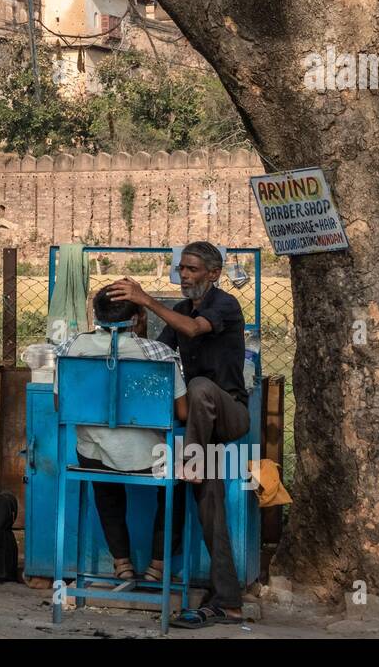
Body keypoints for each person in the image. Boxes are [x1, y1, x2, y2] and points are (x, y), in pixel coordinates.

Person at [108, 240, 249, 627]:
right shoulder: (181, 311)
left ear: (214, 274)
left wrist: (148, 300)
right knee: (210, 507)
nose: (184, 276)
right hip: (200, 431)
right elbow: (159, 355)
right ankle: (228, 600)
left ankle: (191, 460)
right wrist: (131, 327)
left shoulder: (224, 305)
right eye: (181, 270)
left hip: (230, 413)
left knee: (202, 386)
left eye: (191, 270)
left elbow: (191, 329)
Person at [55, 286, 188, 589]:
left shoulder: (71, 349)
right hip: (152, 459)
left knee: (104, 483)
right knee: (178, 486)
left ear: (95, 316)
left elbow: (60, 404)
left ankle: (121, 564)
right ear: (139, 317)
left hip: (94, 457)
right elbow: (182, 411)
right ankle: (158, 566)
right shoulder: (158, 353)